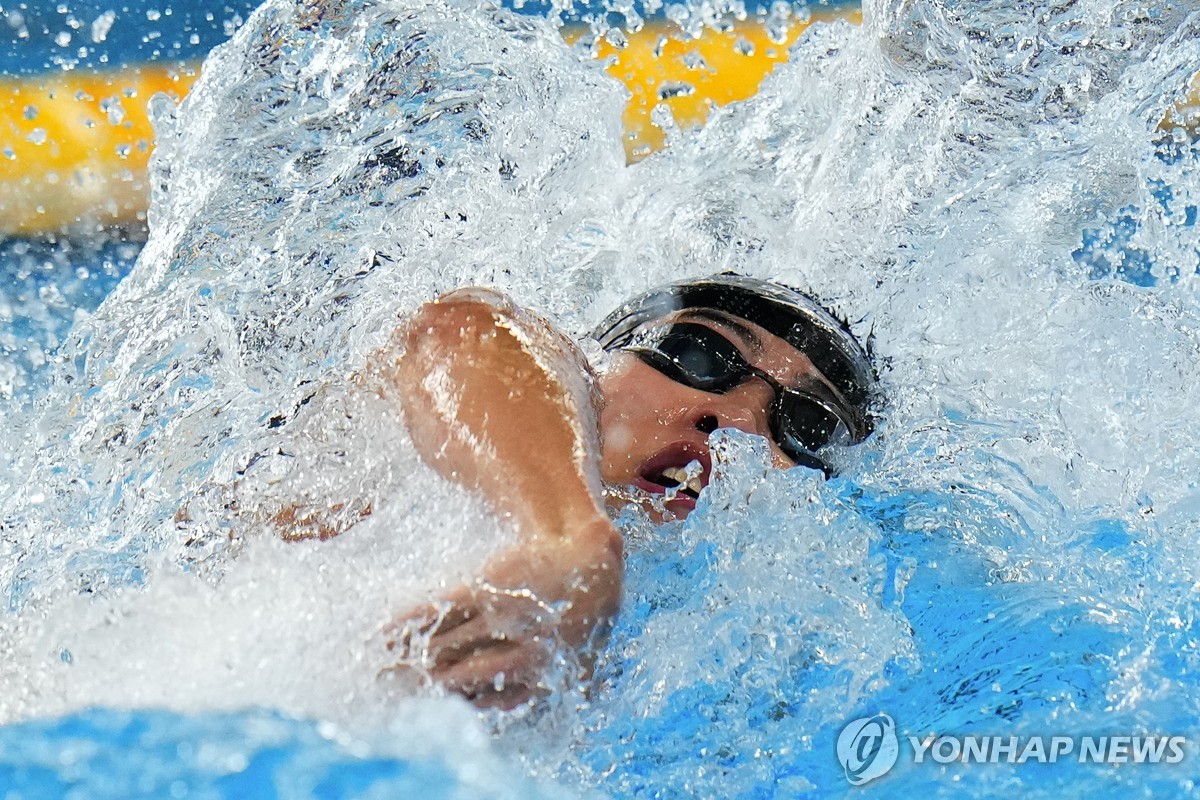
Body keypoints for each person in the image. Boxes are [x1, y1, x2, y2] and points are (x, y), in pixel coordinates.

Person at [360, 274, 878, 709]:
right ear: (595, 364)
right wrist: (567, 539)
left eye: (808, 426)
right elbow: (460, 329)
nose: (739, 421)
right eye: (703, 355)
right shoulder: (394, 464)